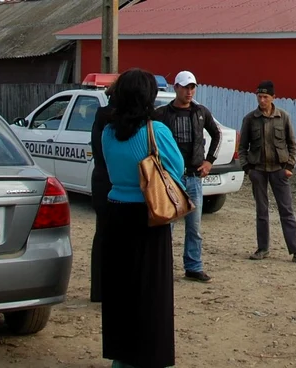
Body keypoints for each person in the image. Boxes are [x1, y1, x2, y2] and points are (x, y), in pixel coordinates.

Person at [100, 68, 184, 368]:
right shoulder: (156, 131)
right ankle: (150, 356)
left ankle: (121, 358)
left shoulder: (107, 132)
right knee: (152, 294)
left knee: (120, 293)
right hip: (149, 216)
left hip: (115, 213)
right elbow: (176, 168)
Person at [154, 70, 222, 282]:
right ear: (176, 87)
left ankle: (193, 266)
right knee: (168, 225)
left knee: (194, 226)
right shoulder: (161, 114)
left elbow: (217, 134)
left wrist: (209, 161)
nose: (189, 91)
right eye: (185, 87)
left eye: (192, 87)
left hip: (193, 176)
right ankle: (163, 267)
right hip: (171, 177)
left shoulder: (201, 112)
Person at [239, 80, 296, 265]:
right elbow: (242, 147)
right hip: (258, 171)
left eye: (266, 97)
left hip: (279, 171)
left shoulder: (284, 117)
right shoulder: (250, 119)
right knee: (261, 211)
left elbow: (292, 145)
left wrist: (289, 167)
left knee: (286, 211)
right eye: (259, 96)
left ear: (274, 97)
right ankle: (262, 248)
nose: (262, 100)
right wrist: (247, 169)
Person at [89, 82, 116, 303]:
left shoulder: (101, 115)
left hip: (100, 180)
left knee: (102, 235)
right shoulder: (111, 117)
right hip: (110, 181)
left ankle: (98, 290)